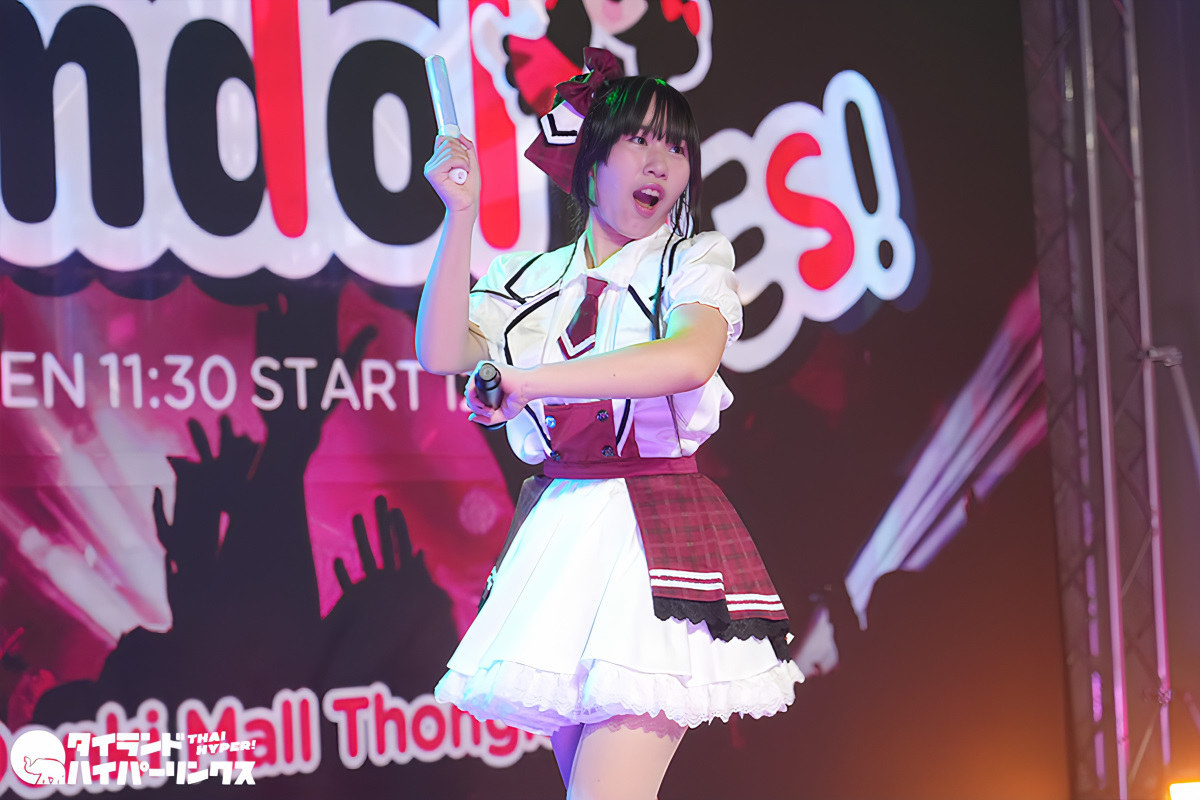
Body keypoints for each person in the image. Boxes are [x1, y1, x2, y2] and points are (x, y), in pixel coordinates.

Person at [416, 49, 803, 800]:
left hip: (653, 535)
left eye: (677, 147)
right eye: (639, 140)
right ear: (589, 160)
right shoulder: (529, 280)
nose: (661, 162)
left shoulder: (692, 262)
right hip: (564, 535)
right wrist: (460, 215)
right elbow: (440, 350)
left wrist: (525, 383)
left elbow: (688, 359)